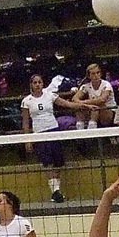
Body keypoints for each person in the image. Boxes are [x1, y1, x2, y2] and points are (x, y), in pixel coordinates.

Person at [21, 73, 84, 203]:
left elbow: (68, 104)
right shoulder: (26, 101)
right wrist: (27, 140)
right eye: (35, 83)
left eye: (40, 82)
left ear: (43, 84)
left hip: (53, 130)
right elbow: (26, 122)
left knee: (57, 162)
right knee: (47, 162)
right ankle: (55, 192)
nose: (38, 85)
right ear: (31, 85)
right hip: (39, 133)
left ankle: (57, 191)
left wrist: (86, 106)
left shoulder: (50, 95)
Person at [74, 63, 117, 131]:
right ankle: (80, 128)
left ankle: (92, 128)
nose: (96, 76)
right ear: (89, 76)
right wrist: (83, 104)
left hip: (108, 110)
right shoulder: (85, 86)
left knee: (97, 106)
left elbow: (102, 100)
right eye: (93, 74)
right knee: (79, 108)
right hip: (93, 110)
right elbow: (75, 99)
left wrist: (83, 102)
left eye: (98, 73)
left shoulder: (106, 84)